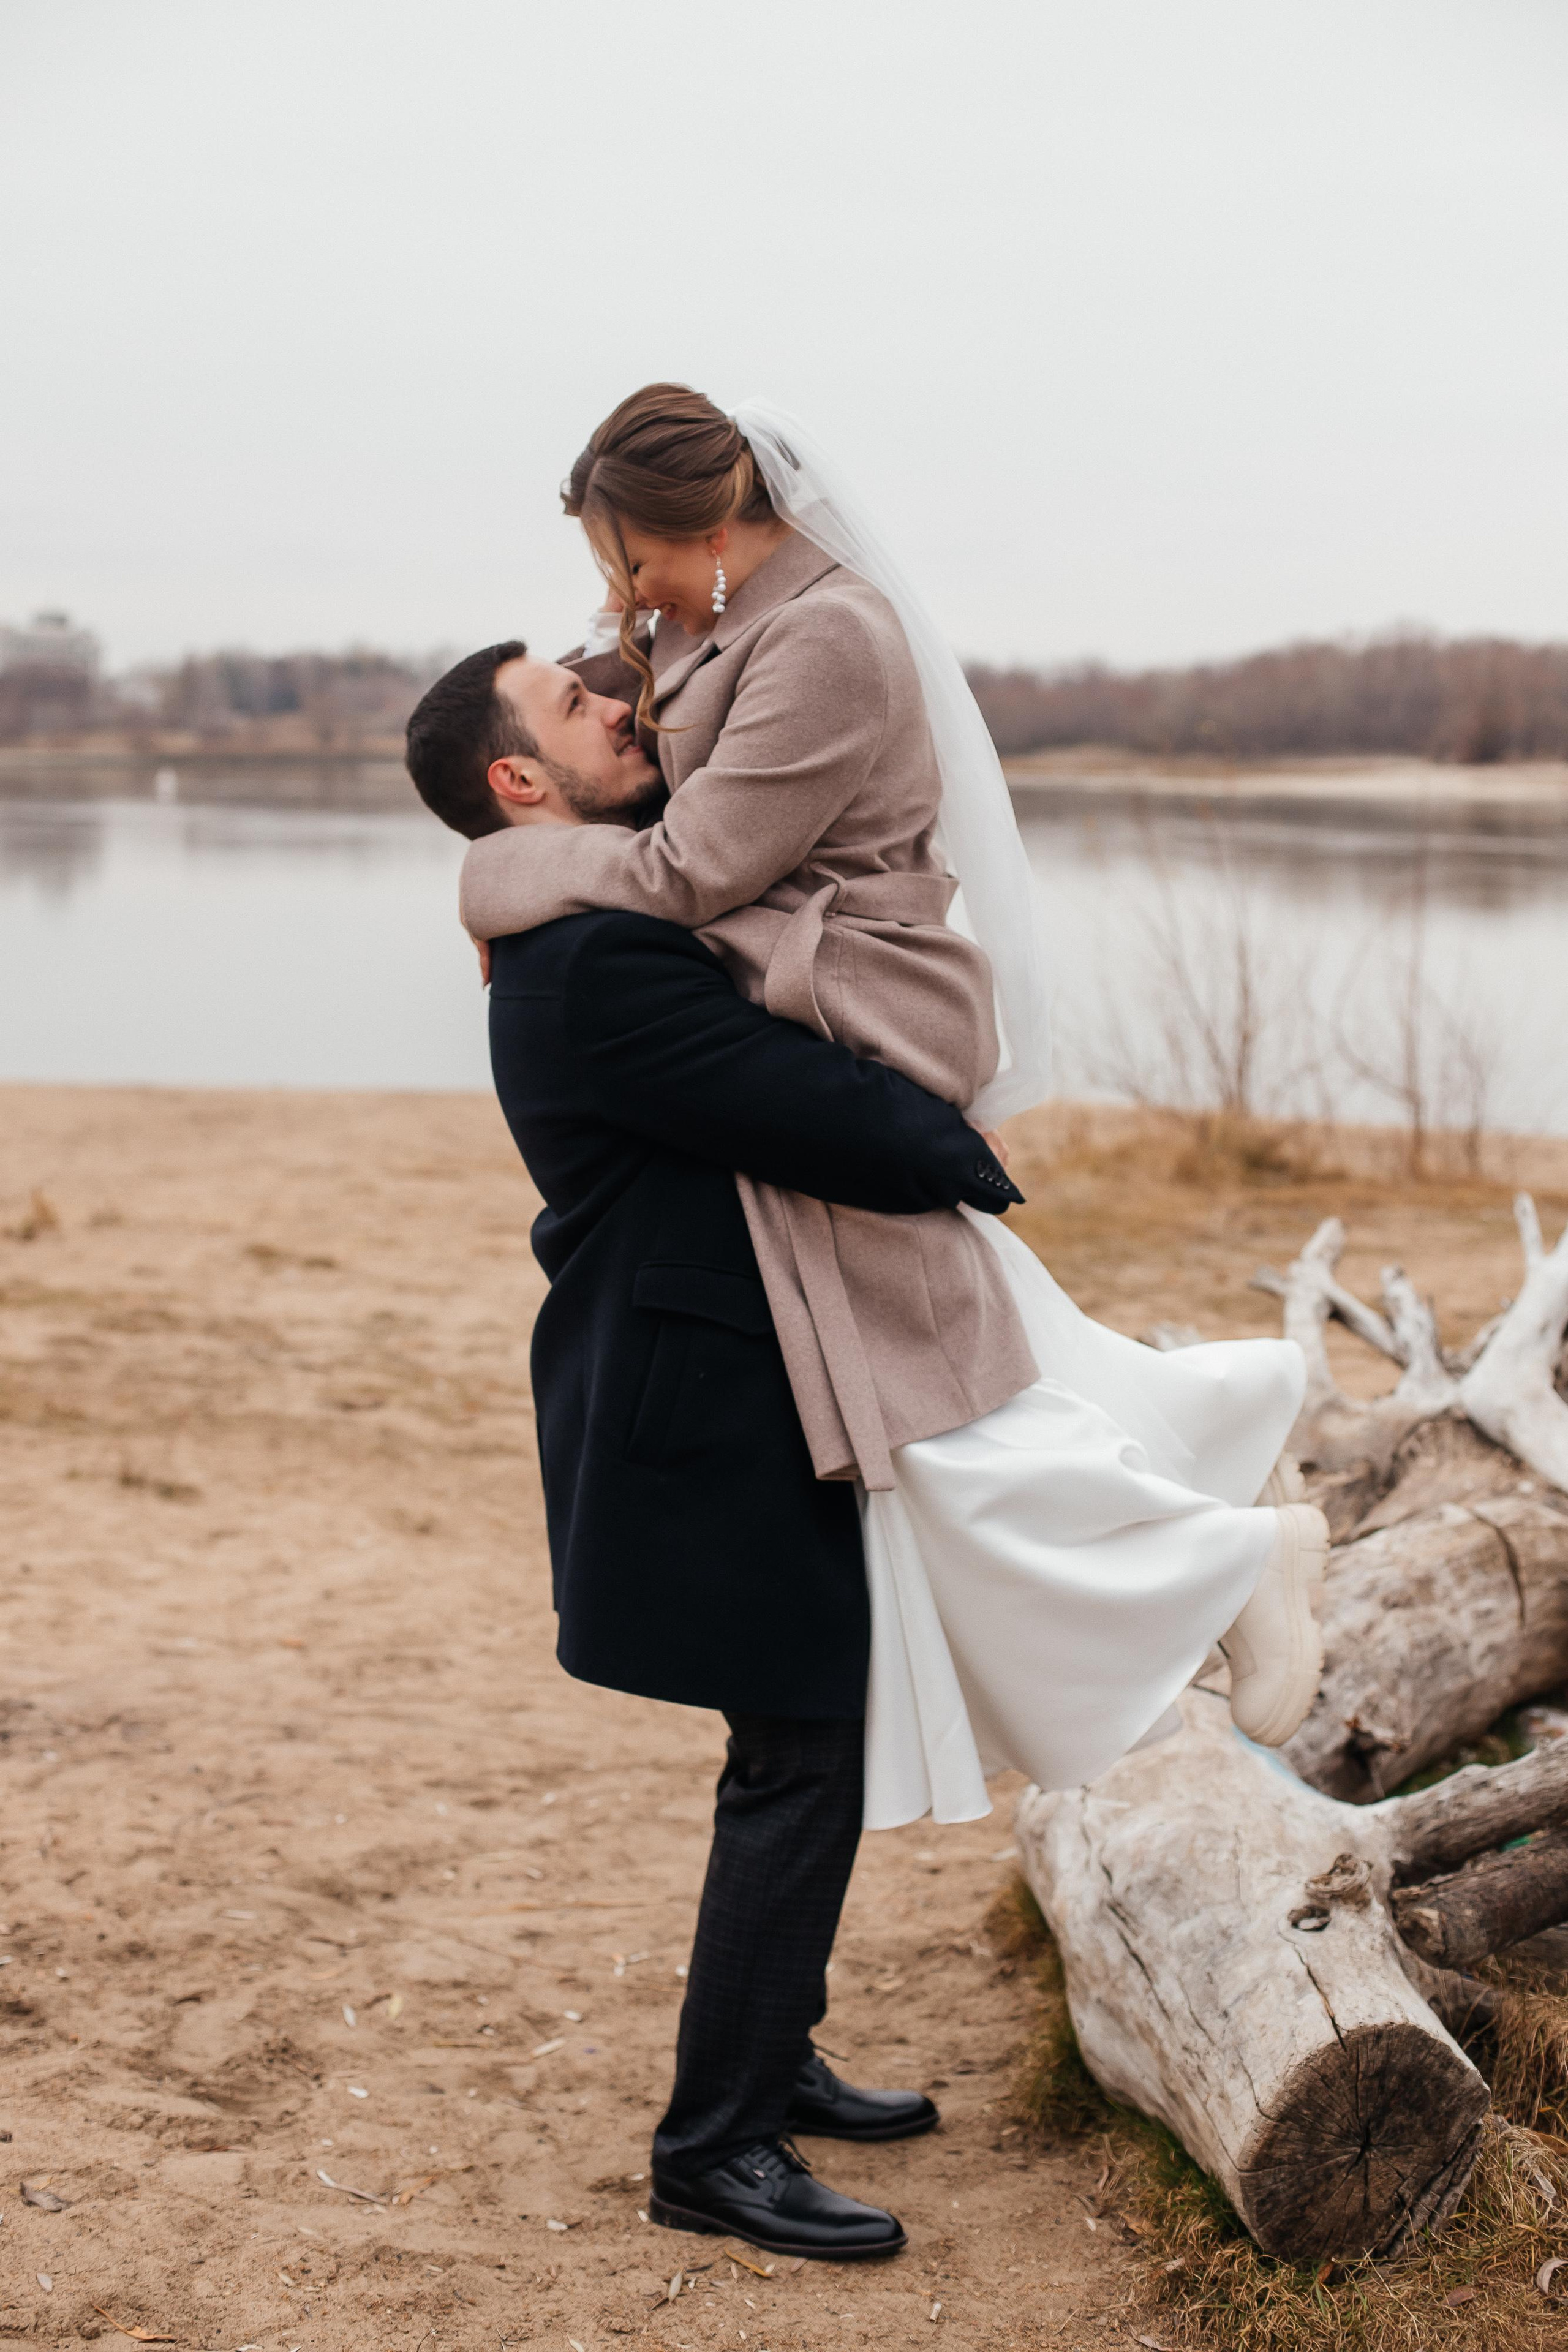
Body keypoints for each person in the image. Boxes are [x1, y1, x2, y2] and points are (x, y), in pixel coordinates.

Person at [453, 387, 1329, 1826]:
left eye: (631, 559)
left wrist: (502, 876)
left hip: (859, 991)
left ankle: (1225, 1551)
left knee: (912, 1385)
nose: (618, 597)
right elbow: (566, 738)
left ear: (707, 526)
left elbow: (687, 871)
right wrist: (529, 835)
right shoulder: (686, 620)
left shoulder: (826, 639)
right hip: (782, 991)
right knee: (924, 1353)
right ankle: (1215, 1446)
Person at [405, 639, 1024, 2260]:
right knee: (798, 1750)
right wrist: (963, 1152)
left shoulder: (573, 924)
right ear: (518, 783)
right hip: (701, 1403)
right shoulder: (592, 961)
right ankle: (716, 2147)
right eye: (573, 705)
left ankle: (771, 2055)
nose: (616, 705)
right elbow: (801, 1106)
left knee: (803, 1734)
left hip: (723, 1379)